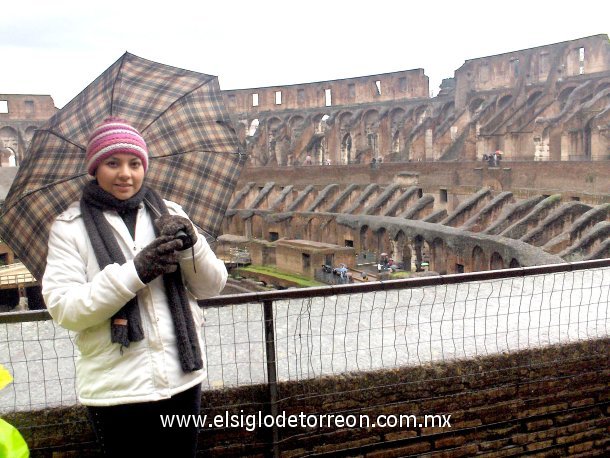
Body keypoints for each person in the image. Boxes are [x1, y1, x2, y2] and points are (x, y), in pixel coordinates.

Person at [42, 117, 227, 457]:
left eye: (134, 163)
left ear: (145, 166)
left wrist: (193, 243)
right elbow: (65, 309)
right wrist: (136, 273)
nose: (125, 173)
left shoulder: (169, 212)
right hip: (117, 390)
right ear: (95, 168)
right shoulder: (69, 228)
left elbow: (211, 286)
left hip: (182, 378)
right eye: (112, 163)